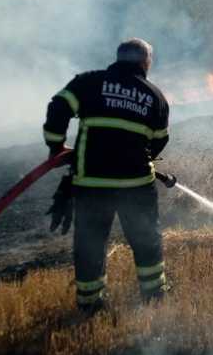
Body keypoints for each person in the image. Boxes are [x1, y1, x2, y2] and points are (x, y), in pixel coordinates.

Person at [42, 38, 170, 312]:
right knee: (146, 240)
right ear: (146, 62)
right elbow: (159, 141)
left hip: (92, 183)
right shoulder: (155, 97)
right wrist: (140, 155)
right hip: (137, 185)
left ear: (118, 58)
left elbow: (58, 107)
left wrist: (55, 147)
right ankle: (154, 297)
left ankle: (90, 304)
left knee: (91, 243)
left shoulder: (89, 82)